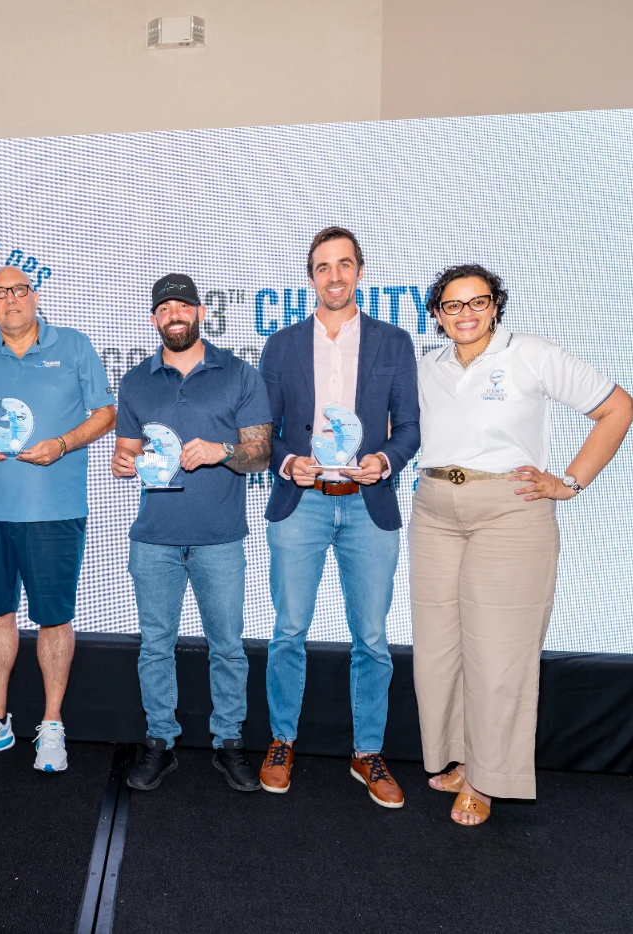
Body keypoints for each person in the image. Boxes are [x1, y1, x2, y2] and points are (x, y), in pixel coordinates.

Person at [411, 263, 633, 825]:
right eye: (452, 305)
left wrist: (571, 482)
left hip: (509, 513)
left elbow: (619, 407)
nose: (466, 314)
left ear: (496, 305)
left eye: (478, 302)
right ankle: (463, 760)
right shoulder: (427, 366)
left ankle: (488, 780)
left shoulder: (530, 353)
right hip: (434, 511)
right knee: (440, 652)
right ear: (437, 315)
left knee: (498, 654)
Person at [258, 227, 420, 803]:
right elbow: (262, 433)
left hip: (367, 506)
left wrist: (385, 459)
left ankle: (367, 752)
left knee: (372, 637)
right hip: (300, 504)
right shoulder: (281, 345)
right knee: (288, 631)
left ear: (359, 271)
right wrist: (287, 463)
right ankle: (281, 741)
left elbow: (410, 428)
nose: (334, 276)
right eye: (323, 267)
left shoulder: (393, 342)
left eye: (344, 264)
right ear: (311, 278)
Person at [0, 265, 116, 772]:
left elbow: (106, 413)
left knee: (54, 617)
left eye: (19, 290)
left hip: (55, 511)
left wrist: (62, 443)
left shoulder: (75, 346)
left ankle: (51, 724)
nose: (10, 300)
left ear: (35, 296)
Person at [112, 274, 272, 793]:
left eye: (183, 306)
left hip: (220, 537)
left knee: (227, 648)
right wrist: (122, 461)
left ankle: (229, 741)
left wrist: (221, 451)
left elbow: (261, 455)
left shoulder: (239, 373)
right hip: (153, 538)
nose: (174, 315)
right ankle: (160, 740)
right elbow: (128, 452)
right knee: (155, 647)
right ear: (154, 319)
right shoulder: (135, 381)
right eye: (165, 308)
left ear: (201, 312)